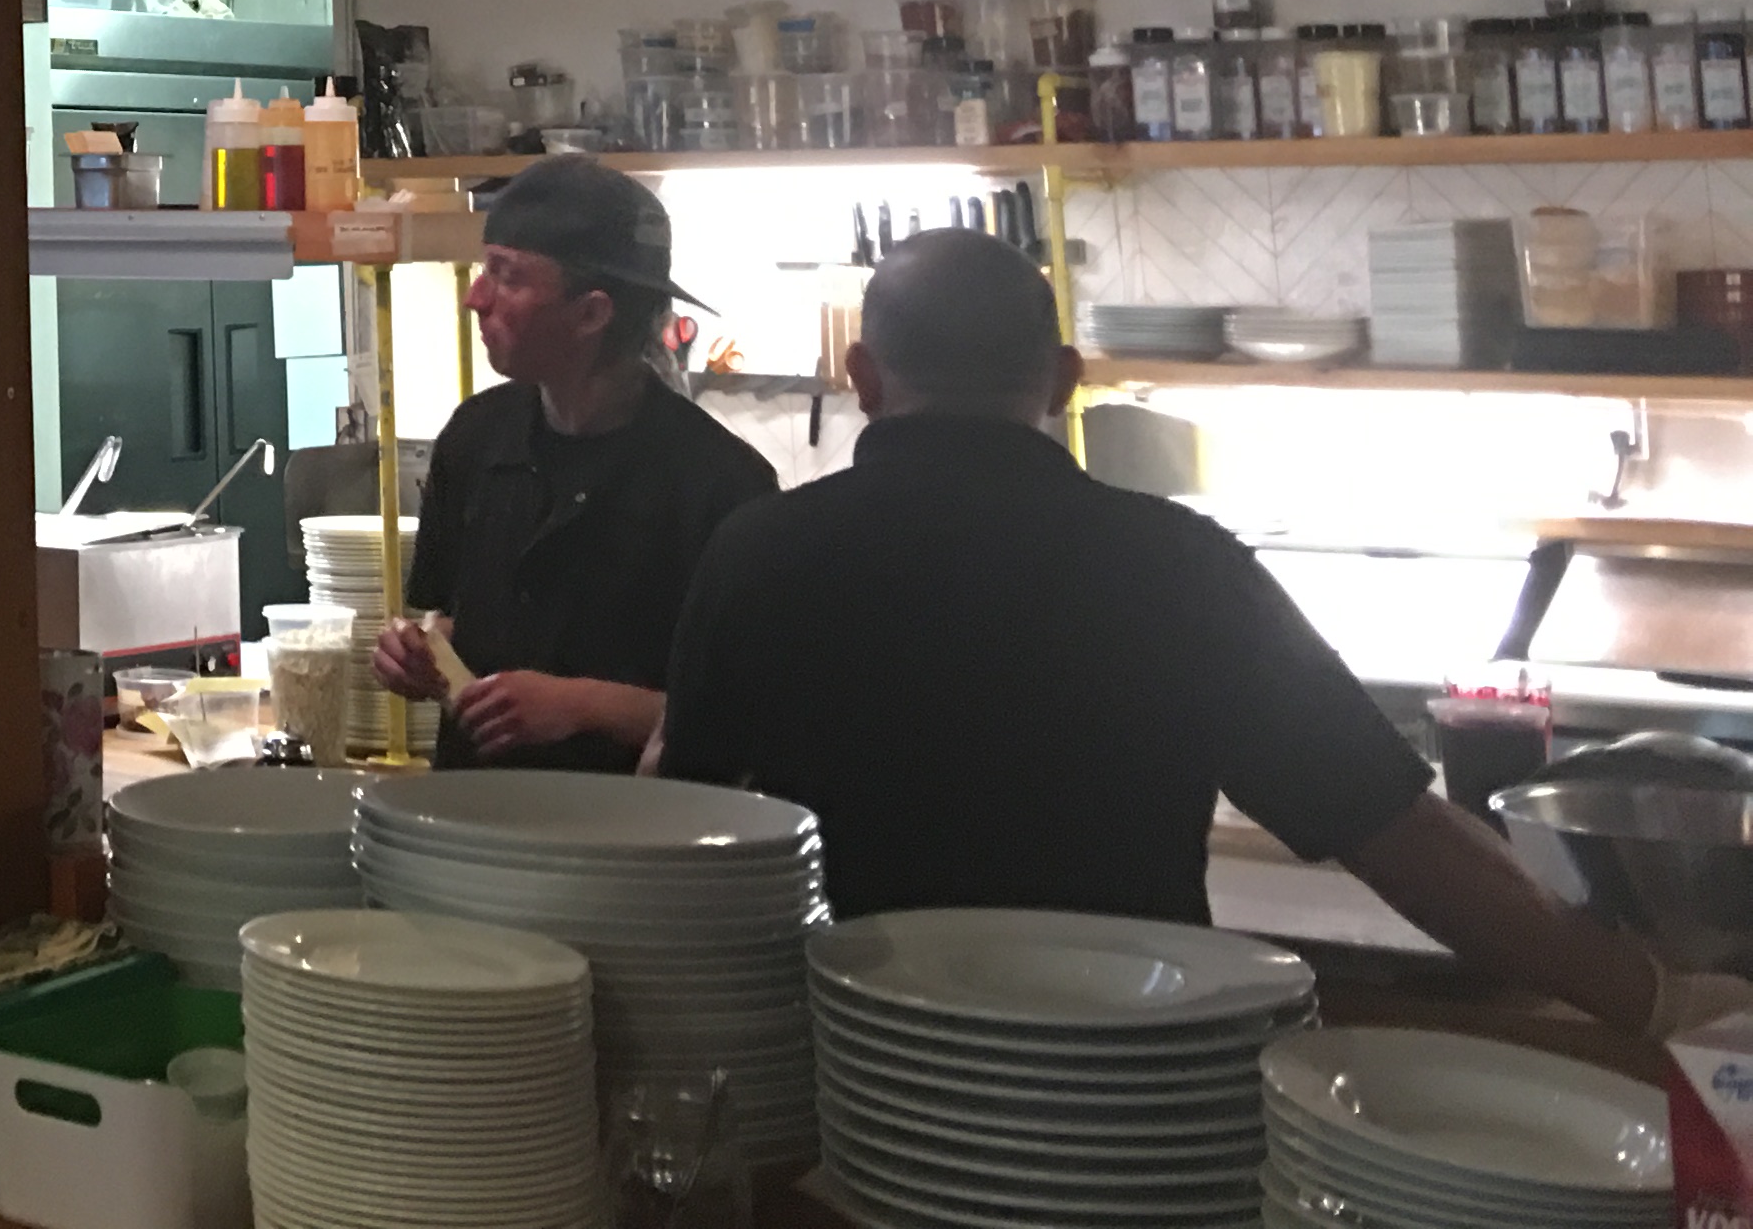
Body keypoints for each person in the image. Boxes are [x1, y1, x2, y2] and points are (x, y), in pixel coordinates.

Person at [654, 230, 1688, 1036]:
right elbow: (1393, 832)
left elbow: (685, 826)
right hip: (1131, 1085)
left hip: (866, 1066)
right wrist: (1653, 1001)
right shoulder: (1179, 565)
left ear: (863, 376)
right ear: (1065, 379)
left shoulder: (757, 553)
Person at [367, 157, 775, 772]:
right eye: (485, 269)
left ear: (591, 314)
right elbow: (446, 616)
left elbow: (747, 715)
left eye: (507, 277)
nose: (475, 298)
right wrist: (420, 653)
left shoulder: (721, 486)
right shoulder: (474, 438)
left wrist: (583, 706)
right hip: (471, 814)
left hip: (631, 823)